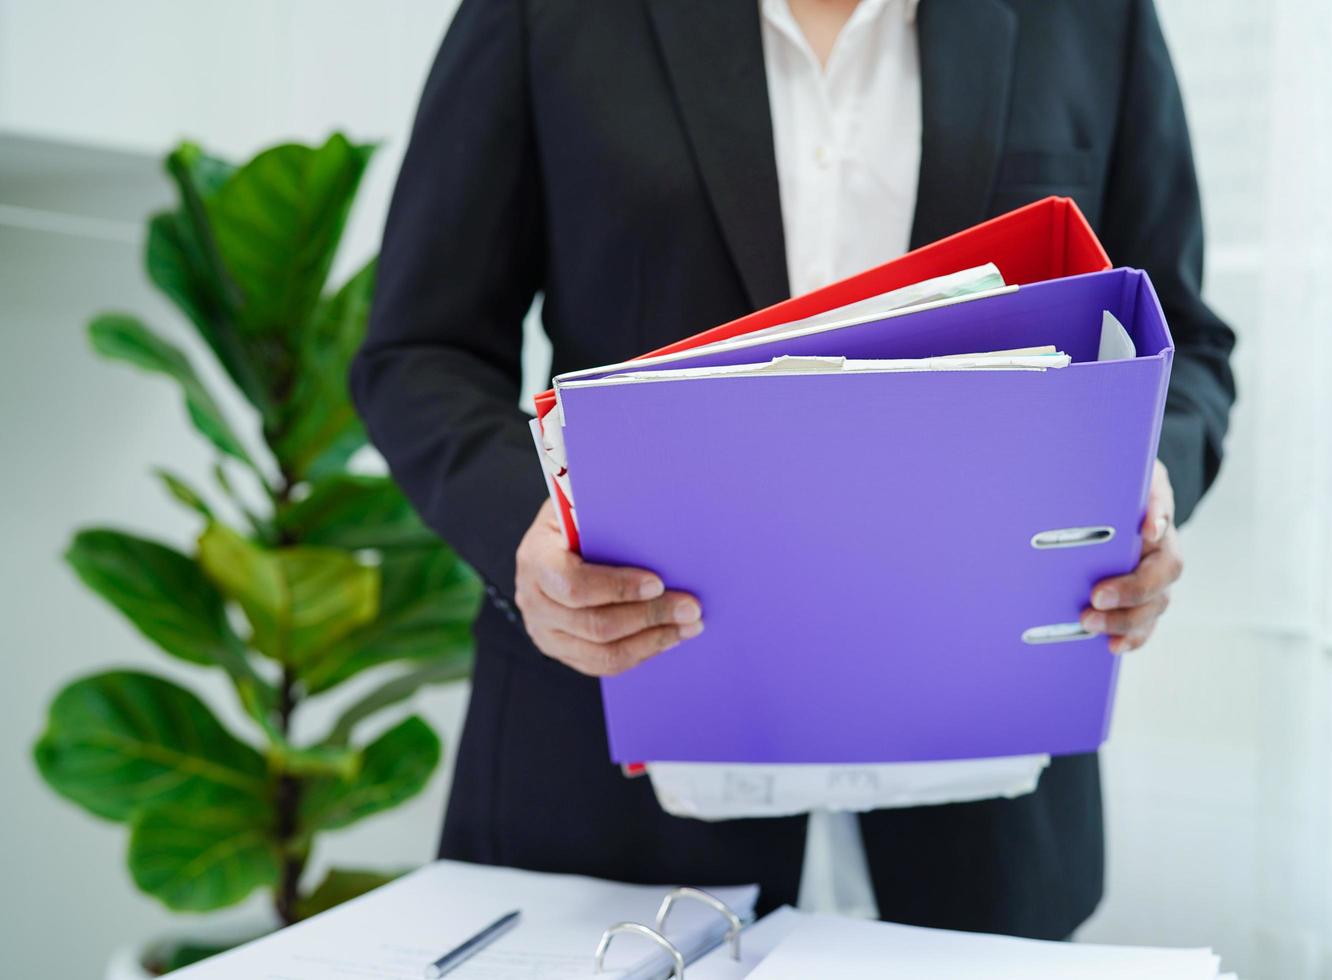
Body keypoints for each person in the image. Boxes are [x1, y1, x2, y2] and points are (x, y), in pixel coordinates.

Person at [352, 0, 1235, 940]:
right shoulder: (543, 13)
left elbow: (1185, 345)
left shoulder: (1097, 18)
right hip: (614, 791)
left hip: (985, 811)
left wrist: (1140, 486)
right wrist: (526, 525)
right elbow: (420, 349)